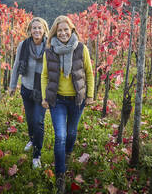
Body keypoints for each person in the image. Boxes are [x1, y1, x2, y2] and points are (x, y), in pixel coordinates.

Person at [41, 15, 94, 194]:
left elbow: (89, 72)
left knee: (71, 133)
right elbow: (45, 76)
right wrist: (44, 97)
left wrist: (90, 95)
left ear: (71, 30)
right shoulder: (50, 51)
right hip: (58, 100)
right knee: (61, 136)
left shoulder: (81, 48)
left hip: (77, 100)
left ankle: (68, 153)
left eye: (66, 29)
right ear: (55, 32)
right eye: (59, 30)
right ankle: (60, 175)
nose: (63, 33)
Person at [9, 17, 49, 169]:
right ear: (30, 30)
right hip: (26, 88)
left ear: (44, 29)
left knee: (38, 121)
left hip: (42, 91)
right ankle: (32, 139)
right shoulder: (23, 45)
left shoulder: (49, 46)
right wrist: (13, 86)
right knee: (30, 119)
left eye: (40, 28)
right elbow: (16, 65)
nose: (37, 30)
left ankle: (36, 155)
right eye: (34, 28)